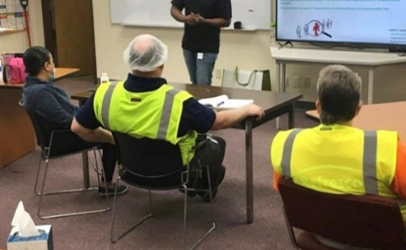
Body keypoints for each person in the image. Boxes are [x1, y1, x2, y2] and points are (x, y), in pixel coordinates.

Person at [270, 64, 406, 250]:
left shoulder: (285, 144)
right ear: (358, 109)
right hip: (391, 244)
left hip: (324, 236)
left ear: (318, 106)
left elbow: (284, 190)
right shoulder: (386, 148)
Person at [71, 34, 264, 201]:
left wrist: (111, 139)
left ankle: (203, 183)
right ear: (161, 64)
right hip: (174, 175)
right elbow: (218, 121)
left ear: (130, 61)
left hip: (130, 172)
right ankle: (201, 184)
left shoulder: (104, 93)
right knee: (217, 144)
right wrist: (246, 109)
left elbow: (78, 128)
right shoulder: (178, 101)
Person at [21, 46, 127, 196]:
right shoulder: (40, 93)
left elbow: (65, 114)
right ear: (46, 66)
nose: (54, 66)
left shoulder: (32, 87)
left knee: (103, 121)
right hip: (60, 140)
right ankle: (107, 184)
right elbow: (66, 122)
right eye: (52, 62)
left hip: (58, 135)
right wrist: (88, 122)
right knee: (111, 136)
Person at [170, 0, 232, 86]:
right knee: (194, 81)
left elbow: (226, 20)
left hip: (208, 46)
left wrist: (204, 21)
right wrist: (185, 18)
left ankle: (205, 106)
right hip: (188, 44)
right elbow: (174, 9)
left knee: (203, 83)